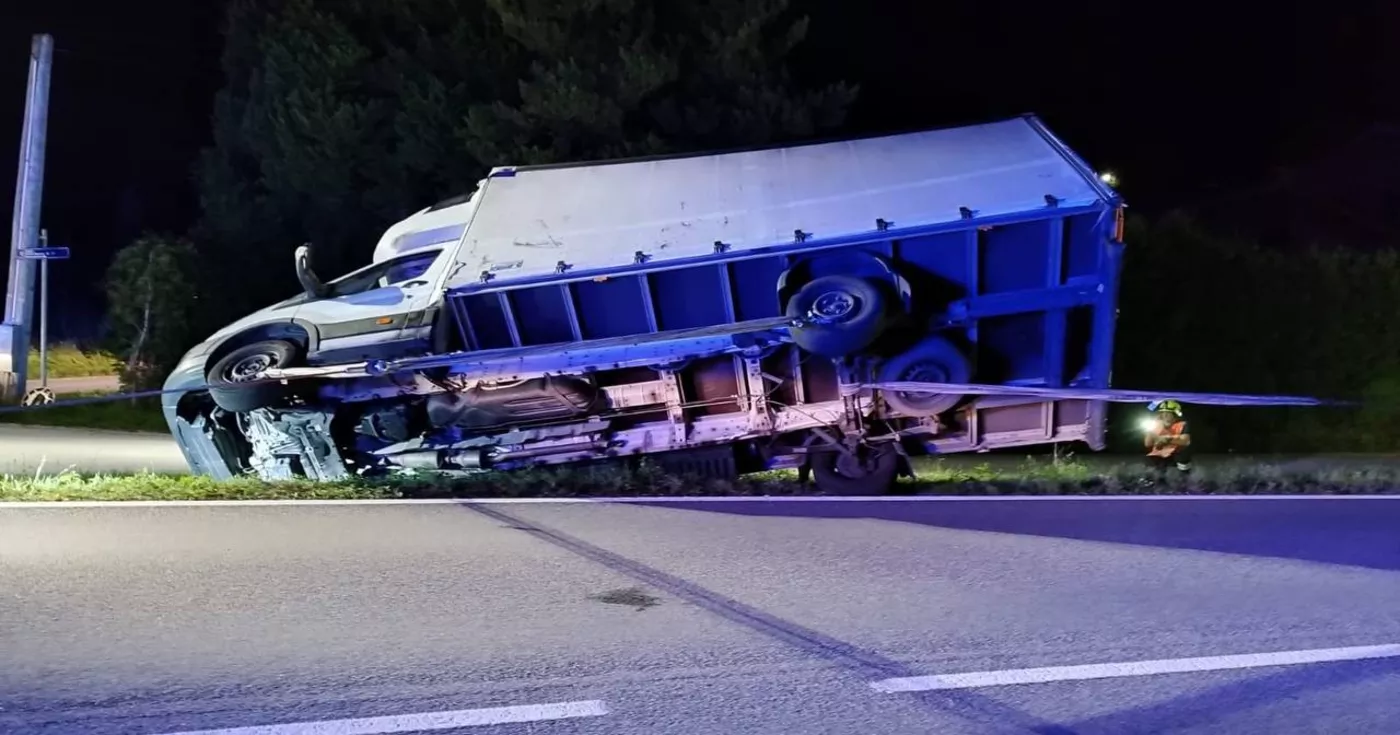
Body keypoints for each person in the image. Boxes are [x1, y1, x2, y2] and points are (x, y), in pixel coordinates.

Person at [1143, 399, 1193, 474]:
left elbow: (1186, 441)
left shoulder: (1182, 424)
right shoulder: (1155, 424)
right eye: (1163, 412)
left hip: (1176, 454)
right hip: (1160, 453)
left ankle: (1185, 477)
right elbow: (1147, 443)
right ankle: (1156, 479)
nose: (1165, 415)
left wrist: (1167, 439)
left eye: (1168, 413)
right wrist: (1152, 433)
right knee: (1150, 462)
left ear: (1175, 414)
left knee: (1184, 455)